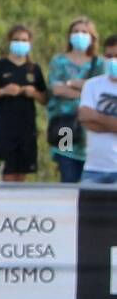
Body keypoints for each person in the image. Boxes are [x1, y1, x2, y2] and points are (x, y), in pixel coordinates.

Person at [0, 25, 46, 181]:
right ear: (9, 42)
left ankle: (19, 204)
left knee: (22, 172)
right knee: (7, 172)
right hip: (5, 128)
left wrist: (33, 93)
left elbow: (45, 99)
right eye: (16, 40)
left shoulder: (34, 69)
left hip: (27, 127)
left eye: (24, 40)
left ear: (29, 43)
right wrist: (3, 91)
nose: (20, 43)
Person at [46, 17, 101, 183]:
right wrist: (83, 89)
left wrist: (70, 84)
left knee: (89, 177)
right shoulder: (59, 61)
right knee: (67, 172)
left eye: (84, 32)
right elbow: (56, 89)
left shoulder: (99, 63)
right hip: (64, 125)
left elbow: (100, 90)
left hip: (90, 127)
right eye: (76, 31)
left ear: (92, 37)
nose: (79, 35)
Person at [78, 34, 117, 185]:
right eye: (109, 56)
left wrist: (96, 116)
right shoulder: (92, 85)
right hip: (93, 168)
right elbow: (84, 118)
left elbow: (91, 117)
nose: (113, 60)